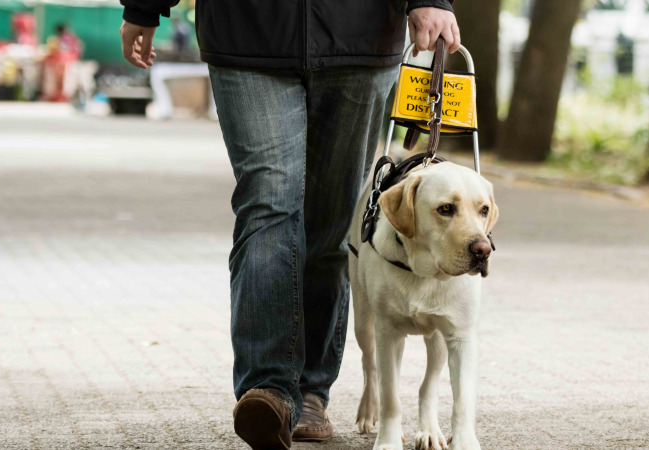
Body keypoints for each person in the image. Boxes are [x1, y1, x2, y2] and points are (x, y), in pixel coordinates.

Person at [118, 1, 460, 448]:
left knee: (332, 223)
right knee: (268, 204)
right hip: (247, 34)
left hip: (361, 35)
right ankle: (269, 388)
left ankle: (310, 388)